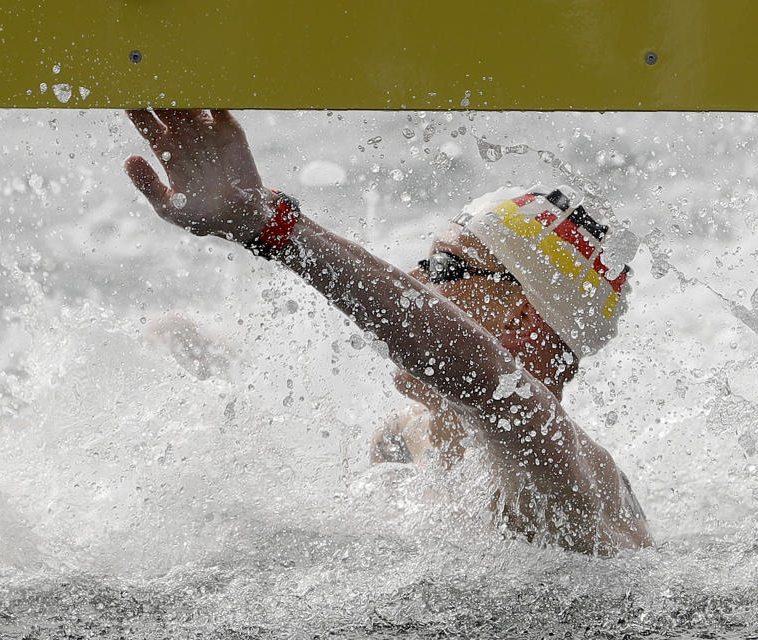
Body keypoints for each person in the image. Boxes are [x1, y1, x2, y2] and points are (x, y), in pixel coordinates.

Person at [124, 108, 653, 556]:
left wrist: (270, 226)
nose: (415, 280)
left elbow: (479, 370)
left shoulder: (569, 475)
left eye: (445, 269)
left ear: (519, 320)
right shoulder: (410, 435)